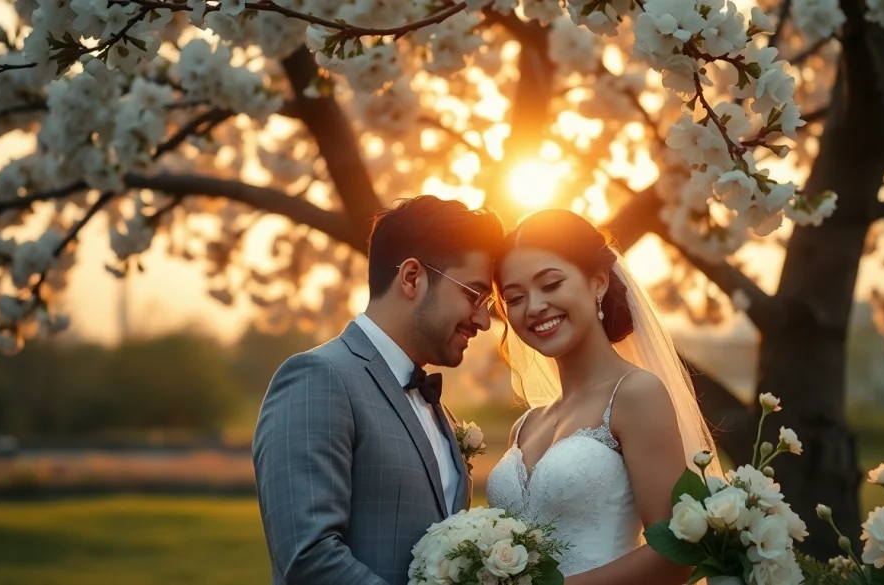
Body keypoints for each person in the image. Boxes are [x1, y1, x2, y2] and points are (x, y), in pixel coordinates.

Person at [252, 195, 505, 585]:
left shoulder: (437, 409)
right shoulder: (318, 378)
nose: (484, 321)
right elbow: (308, 556)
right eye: (474, 295)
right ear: (412, 277)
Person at [485, 208, 721, 584]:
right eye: (514, 298)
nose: (534, 307)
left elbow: (679, 552)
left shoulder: (635, 394)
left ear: (597, 282)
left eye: (550, 285)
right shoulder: (524, 426)